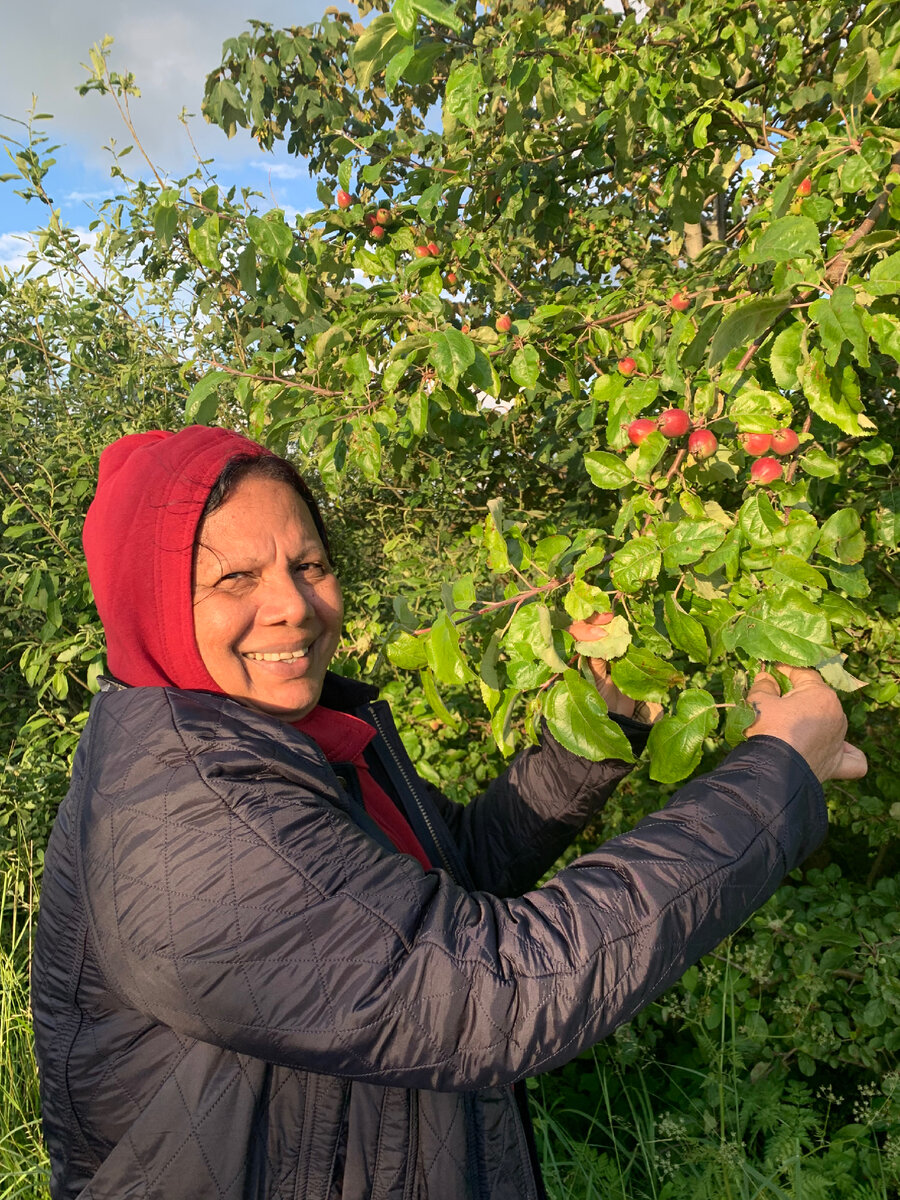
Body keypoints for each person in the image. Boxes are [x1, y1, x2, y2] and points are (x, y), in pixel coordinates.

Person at [31, 425, 866, 1200]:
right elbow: (497, 988)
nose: (293, 605)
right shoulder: (189, 820)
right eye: (234, 579)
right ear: (150, 602)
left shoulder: (294, 741)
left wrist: (599, 730)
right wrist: (776, 773)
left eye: (309, 565)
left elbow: (454, 876)